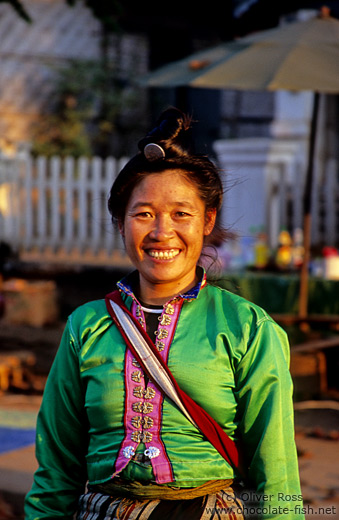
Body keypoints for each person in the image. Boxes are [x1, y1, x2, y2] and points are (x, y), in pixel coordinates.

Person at [25, 107, 305, 520]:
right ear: (120, 224)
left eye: (181, 214)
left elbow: (276, 475)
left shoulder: (248, 329)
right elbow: (56, 469)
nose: (161, 232)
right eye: (143, 214)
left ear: (207, 221)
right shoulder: (85, 326)